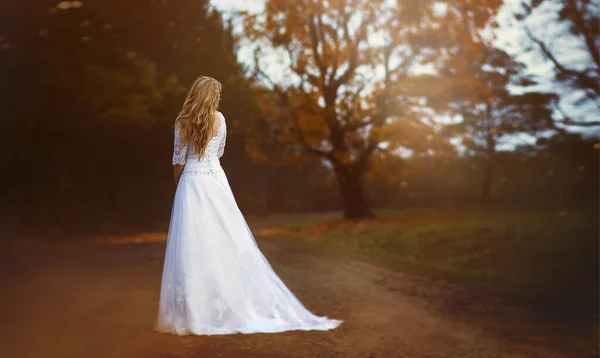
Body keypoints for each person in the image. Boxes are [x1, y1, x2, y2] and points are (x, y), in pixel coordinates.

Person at [155, 76, 341, 335]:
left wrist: (181, 186)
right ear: (213, 96)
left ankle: (192, 311)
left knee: (192, 243)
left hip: (191, 182)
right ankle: (224, 303)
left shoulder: (182, 122)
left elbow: (178, 161)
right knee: (226, 239)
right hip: (216, 181)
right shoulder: (220, 120)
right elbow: (219, 153)